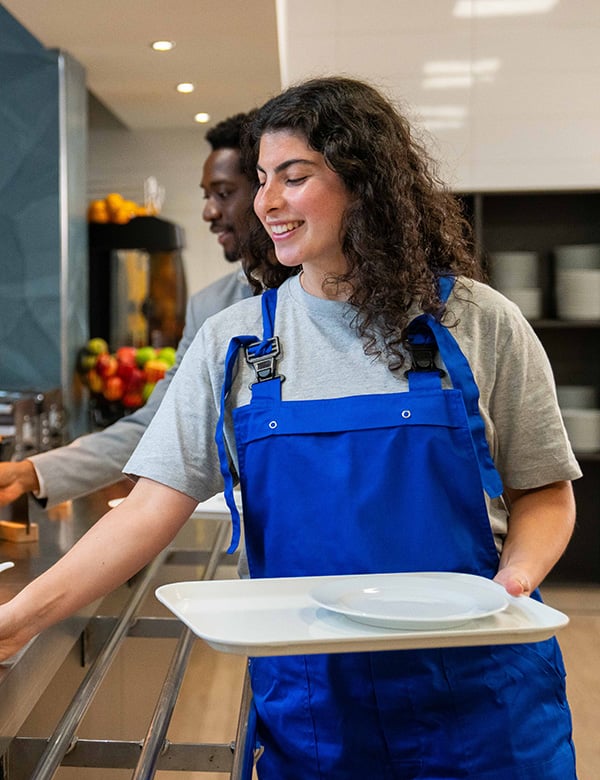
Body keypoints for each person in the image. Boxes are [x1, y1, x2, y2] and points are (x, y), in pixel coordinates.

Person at [0, 77, 581, 779]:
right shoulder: (236, 342)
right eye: (262, 179)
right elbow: (147, 511)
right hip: (315, 709)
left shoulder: (481, 323)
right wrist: (20, 619)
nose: (266, 203)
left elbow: (544, 493)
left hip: (483, 696)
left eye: (294, 177)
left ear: (364, 183)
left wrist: (513, 581)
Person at [0, 112, 254, 509]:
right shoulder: (210, 306)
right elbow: (155, 425)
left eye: (223, 193)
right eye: (207, 195)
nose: (208, 211)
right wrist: (32, 472)